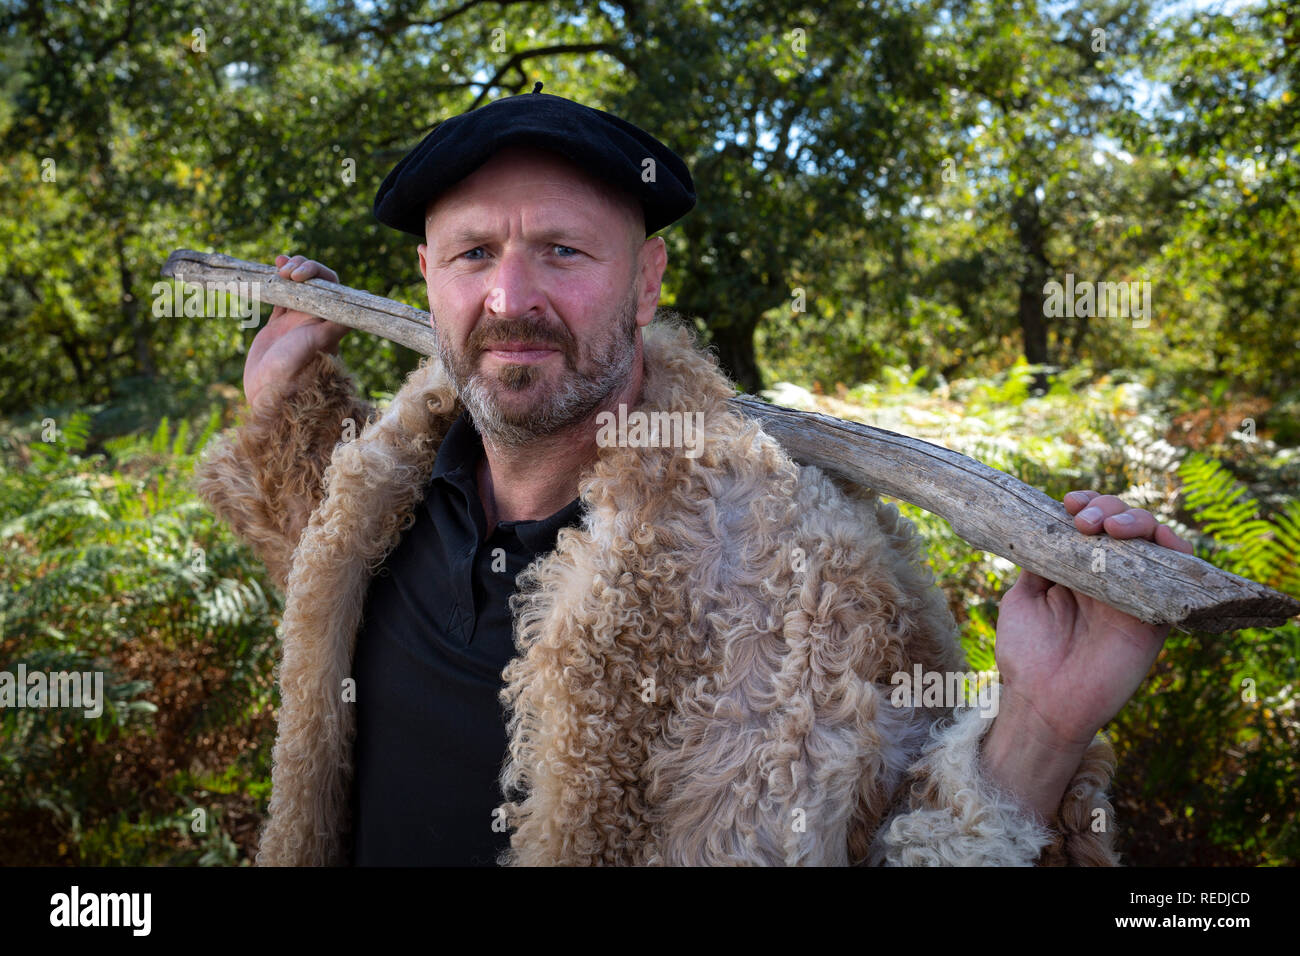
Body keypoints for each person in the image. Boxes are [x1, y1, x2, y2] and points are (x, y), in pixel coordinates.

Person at [195, 85, 1194, 866]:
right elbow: (321, 577)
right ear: (427, 278)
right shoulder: (383, 497)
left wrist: (1044, 728)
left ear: (647, 281)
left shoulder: (804, 575)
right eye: (472, 253)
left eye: (561, 249)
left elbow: (911, 844)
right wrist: (282, 406)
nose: (510, 295)